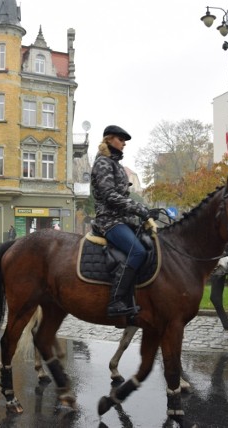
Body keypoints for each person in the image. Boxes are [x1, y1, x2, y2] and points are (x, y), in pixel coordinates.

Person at [91, 125, 158, 317]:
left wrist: (142, 211)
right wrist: (138, 208)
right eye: (121, 140)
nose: (124, 144)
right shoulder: (103, 163)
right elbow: (109, 195)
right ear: (110, 139)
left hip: (122, 219)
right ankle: (116, 301)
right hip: (109, 221)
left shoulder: (115, 164)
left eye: (124, 141)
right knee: (137, 251)